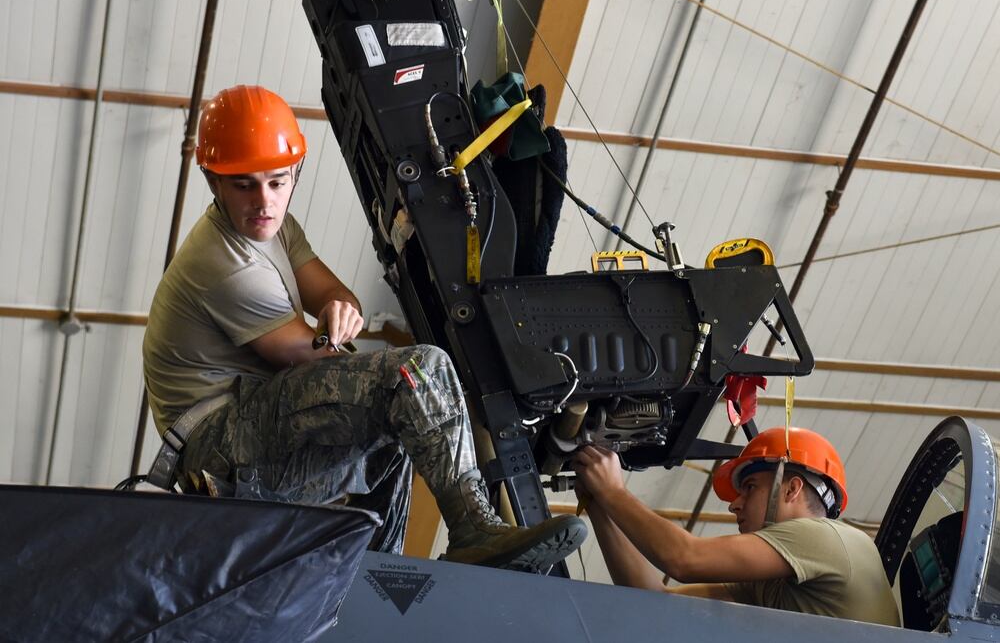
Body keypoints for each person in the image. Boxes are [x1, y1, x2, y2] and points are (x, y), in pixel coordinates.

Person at [142, 84, 586, 570]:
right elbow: (304, 354)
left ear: (294, 174)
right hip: (219, 444)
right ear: (213, 183)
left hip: (260, 433)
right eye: (243, 184)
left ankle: (379, 576)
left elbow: (337, 297)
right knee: (418, 372)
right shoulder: (222, 260)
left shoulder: (278, 229)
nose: (264, 201)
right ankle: (474, 529)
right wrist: (391, 369)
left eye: (277, 181)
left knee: (397, 434)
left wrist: (340, 310)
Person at [573, 427, 900, 626]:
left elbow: (684, 559)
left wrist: (615, 491)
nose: (734, 504)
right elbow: (651, 600)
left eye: (750, 487)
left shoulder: (828, 537)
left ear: (792, 489)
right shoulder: (771, 583)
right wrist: (602, 504)